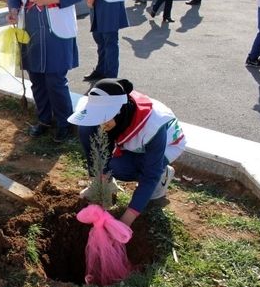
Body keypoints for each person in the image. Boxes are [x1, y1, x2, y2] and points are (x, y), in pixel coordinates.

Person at [7, 0, 85, 143]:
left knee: (55, 78)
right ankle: (44, 119)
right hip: (30, 24)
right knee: (37, 77)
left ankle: (64, 124)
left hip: (56, 26)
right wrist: (13, 8)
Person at [68, 78, 186, 227]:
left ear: (119, 112)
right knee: (87, 129)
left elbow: (149, 177)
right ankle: (105, 184)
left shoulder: (153, 125)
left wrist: (124, 222)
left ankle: (163, 173)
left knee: (124, 168)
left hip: (162, 147)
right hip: (130, 141)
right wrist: (99, 180)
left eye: (103, 118)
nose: (100, 123)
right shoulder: (103, 104)